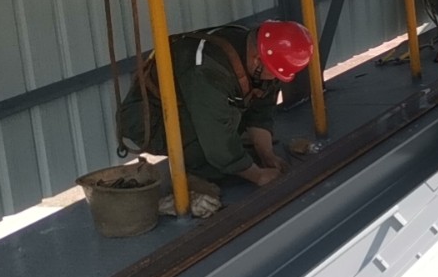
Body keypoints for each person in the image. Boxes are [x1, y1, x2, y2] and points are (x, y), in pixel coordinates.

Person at [116, 20, 313, 188]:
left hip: (196, 105)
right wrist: (257, 175)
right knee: (214, 157)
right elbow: (215, 133)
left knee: (233, 139)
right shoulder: (208, 71)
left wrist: (267, 155)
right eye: (274, 74)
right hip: (150, 120)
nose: (275, 79)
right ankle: (194, 172)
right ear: (256, 61)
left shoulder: (257, 52)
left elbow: (261, 107)